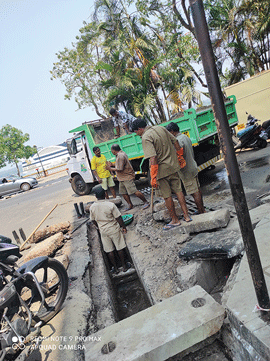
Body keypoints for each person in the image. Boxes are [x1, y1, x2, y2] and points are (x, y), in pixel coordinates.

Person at [131, 118, 191, 229]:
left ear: (139, 129)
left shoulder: (146, 137)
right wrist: (180, 157)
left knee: (167, 196)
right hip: (173, 166)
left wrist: (153, 177)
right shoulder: (161, 128)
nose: (136, 134)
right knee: (179, 191)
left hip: (162, 172)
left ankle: (175, 220)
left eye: (136, 132)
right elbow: (176, 141)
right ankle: (187, 216)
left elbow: (153, 158)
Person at [166, 122, 205, 214]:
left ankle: (201, 211)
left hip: (186, 170)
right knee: (197, 190)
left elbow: (179, 156)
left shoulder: (177, 141)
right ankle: (201, 209)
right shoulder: (185, 137)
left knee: (194, 192)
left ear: (172, 131)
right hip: (192, 166)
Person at [90, 186, 129, 274]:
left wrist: (99, 227)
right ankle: (124, 266)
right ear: (105, 194)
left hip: (103, 231)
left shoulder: (92, 207)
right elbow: (119, 218)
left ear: (96, 196)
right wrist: (124, 227)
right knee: (119, 247)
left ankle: (115, 268)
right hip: (113, 228)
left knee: (109, 250)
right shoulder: (110, 205)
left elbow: (93, 220)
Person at [106, 144, 150, 211]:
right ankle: (130, 205)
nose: (111, 152)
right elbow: (120, 164)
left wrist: (110, 169)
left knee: (134, 191)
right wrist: (112, 164)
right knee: (123, 192)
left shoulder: (120, 156)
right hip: (122, 178)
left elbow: (120, 168)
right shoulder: (120, 154)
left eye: (111, 150)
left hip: (126, 177)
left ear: (114, 150)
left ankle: (145, 202)